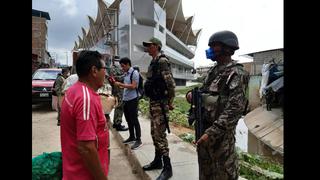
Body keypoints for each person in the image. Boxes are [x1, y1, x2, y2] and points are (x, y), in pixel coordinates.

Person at [186, 30, 249, 180]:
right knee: (205, 172)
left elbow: (235, 109)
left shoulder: (236, 73)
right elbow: (203, 91)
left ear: (226, 48)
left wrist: (211, 133)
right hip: (204, 131)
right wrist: (192, 95)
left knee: (223, 173)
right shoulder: (213, 71)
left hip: (220, 138)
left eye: (214, 46)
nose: (210, 50)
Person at [60, 50, 109, 180]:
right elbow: (86, 148)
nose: (106, 73)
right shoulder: (86, 99)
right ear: (94, 71)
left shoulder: (74, 91)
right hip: (83, 175)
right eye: (104, 68)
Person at [142, 37, 175, 180]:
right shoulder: (154, 61)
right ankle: (158, 161)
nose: (147, 48)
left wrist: (170, 102)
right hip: (154, 102)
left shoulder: (162, 61)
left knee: (159, 135)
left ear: (156, 46)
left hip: (161, 104)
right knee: (154, 133)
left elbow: (171, 84)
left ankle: (168, 168)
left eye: (149, 45)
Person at [114, 57, 143, 150]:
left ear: (127, 64)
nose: (122, 68)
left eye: (123, 66)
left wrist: (121, 85)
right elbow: (127, 85)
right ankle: (132, 137)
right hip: (126, 99)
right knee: (128, 119)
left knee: (134, 120)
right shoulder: (126, 73)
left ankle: (138, 140)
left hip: (133, 99)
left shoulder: (134, 73)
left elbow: (134, 86)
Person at [109, 59, 128, 131]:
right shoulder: (114, 68)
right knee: (119, 107)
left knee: (118, 106)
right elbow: (114, 78)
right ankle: (118, 124)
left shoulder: (112, 68)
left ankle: (116, 122)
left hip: (116, 90)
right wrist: (124, 76)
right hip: (119, 90)